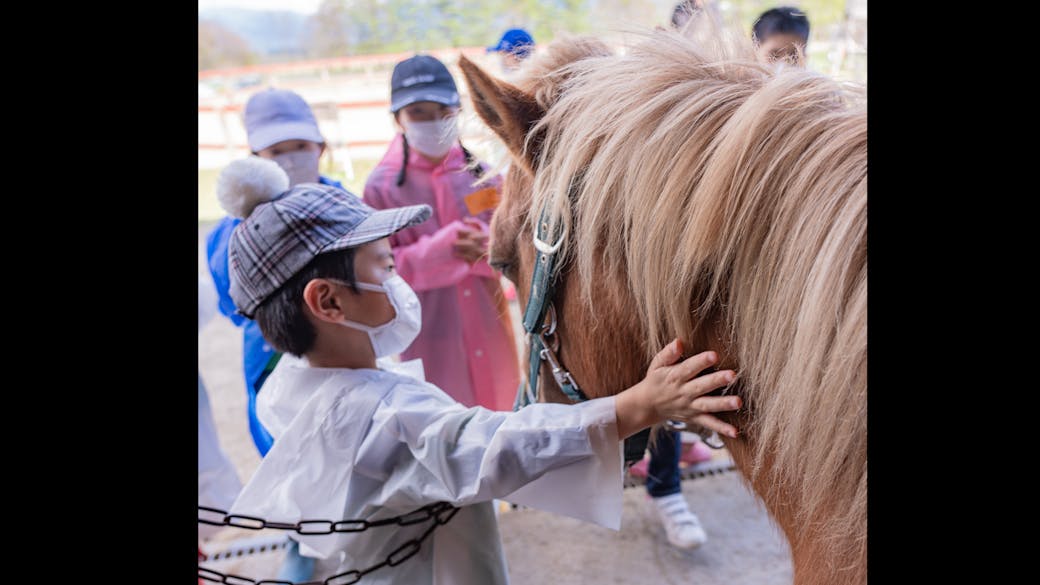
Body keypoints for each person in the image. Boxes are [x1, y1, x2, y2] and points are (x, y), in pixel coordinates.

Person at [217, 156, 742, 584]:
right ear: (329, 302)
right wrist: (638, 406)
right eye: (383, 264)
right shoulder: (381, 417)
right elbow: (495, 447)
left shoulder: (292, 384)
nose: (395, 274)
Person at [204, 87, 345, 582]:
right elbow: (230, 300)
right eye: (276, 152)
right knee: (287, 452)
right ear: (254, 159)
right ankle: (301, 541)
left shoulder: (344, 204)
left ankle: (364, 530)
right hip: (270, 361)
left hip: (343, 354)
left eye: (300, 147)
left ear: (320, 146)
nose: (291, 159)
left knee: (351, 442)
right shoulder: (229, 229)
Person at [363, 55, 520, 412]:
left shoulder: (485, 176)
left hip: (492, 336)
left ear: (459, 111)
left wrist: (491, 248)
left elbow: (517, 253)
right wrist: (440, 251)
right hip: (431, 341)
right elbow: (375, 274)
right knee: (444, 431)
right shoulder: (381, 189)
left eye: (442, 110)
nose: (433, 121)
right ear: (397, 119)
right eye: (418, 111)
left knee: (500, 423)